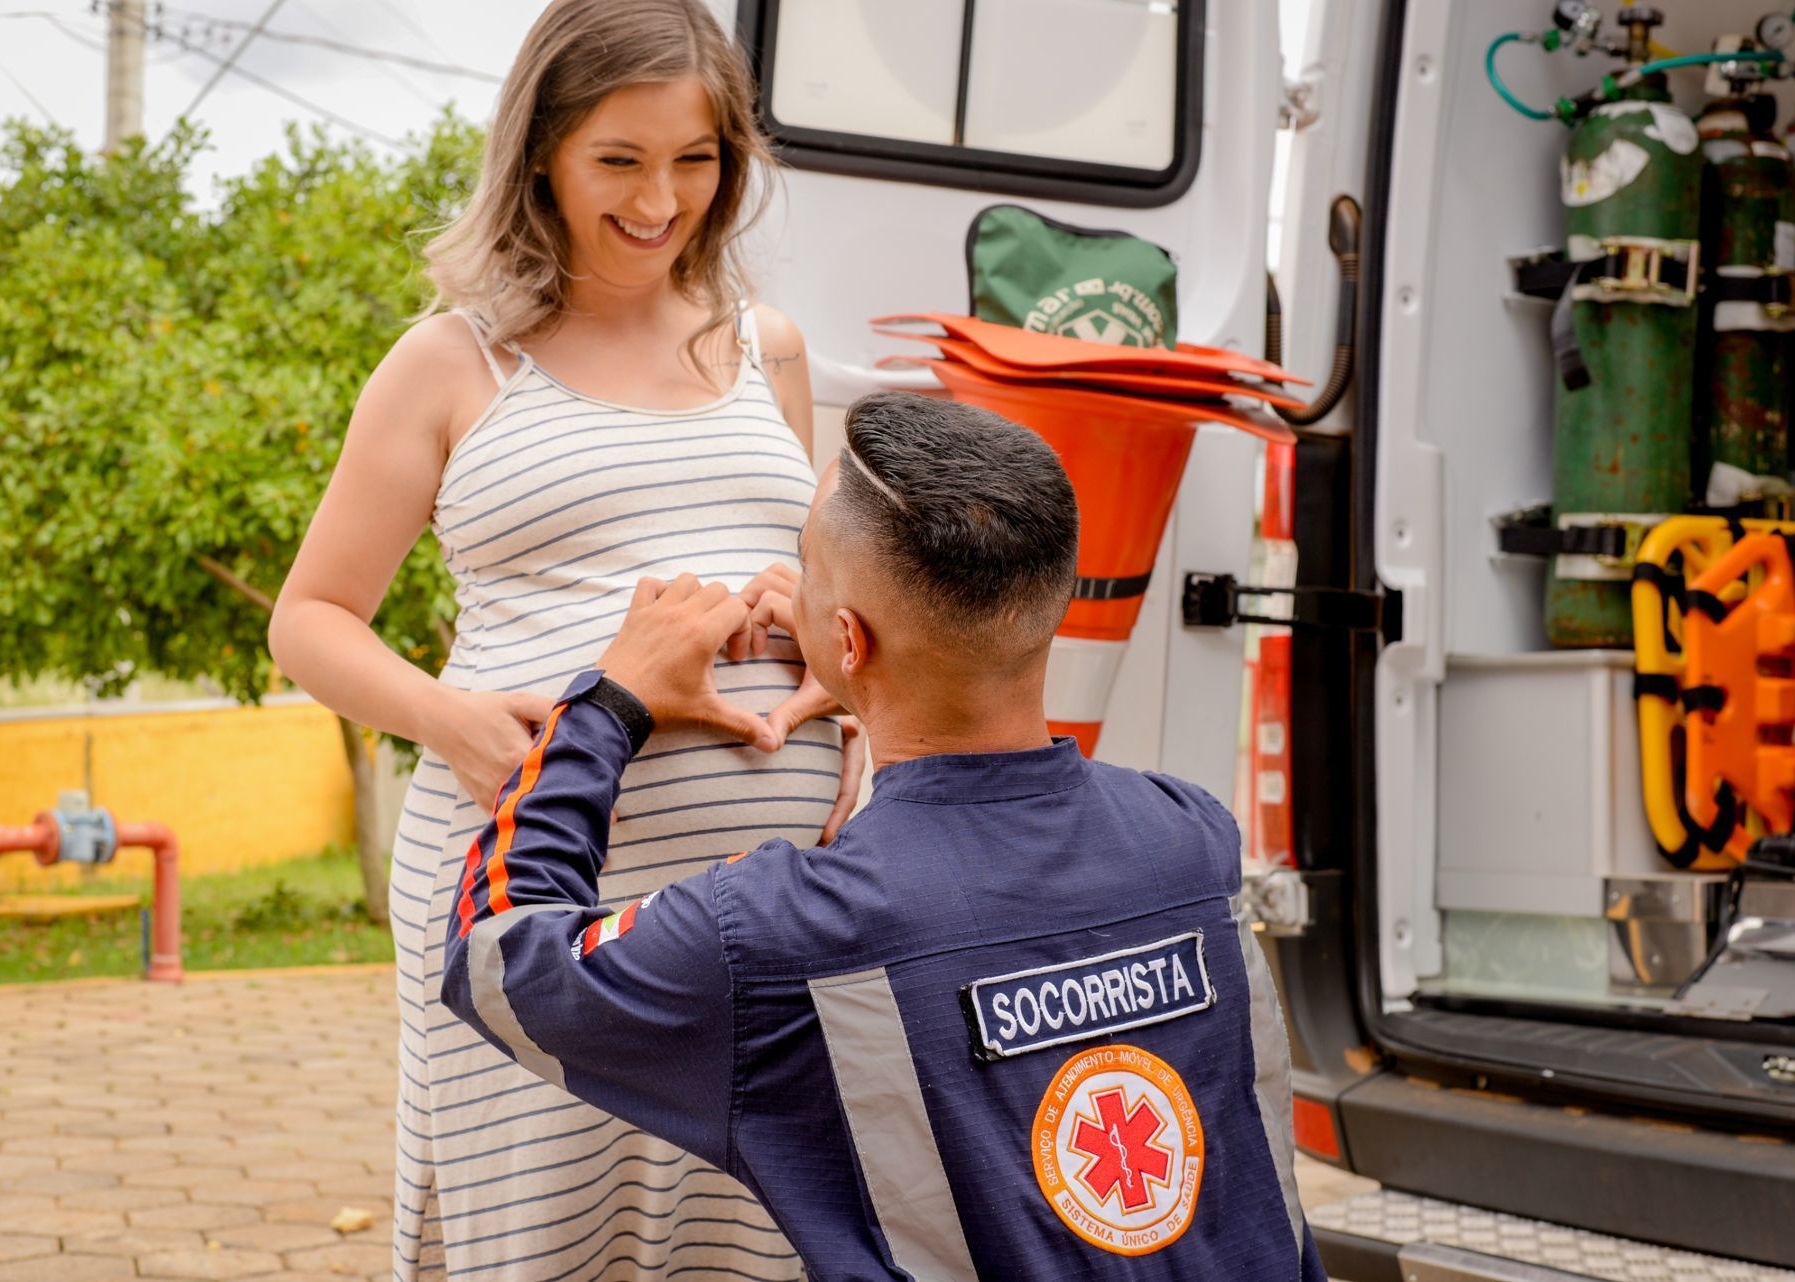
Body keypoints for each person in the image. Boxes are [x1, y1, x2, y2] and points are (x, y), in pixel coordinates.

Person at [440, 391, 1329, 1281]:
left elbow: (497, 960)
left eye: (803, 564)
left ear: (847, 636)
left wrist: (608, 702)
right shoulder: (1192, 841)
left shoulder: (782, 930)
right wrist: (865, 670)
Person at [267, 2, 860, 1276]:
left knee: (751, 1236)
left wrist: (819, 637)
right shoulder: (453, 363)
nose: (660, 201)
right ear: (541, 151)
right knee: (545, 1238)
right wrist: (452, 721)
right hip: (535, 883)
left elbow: (818, 587)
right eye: (620, 160)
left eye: (695, 160)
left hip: (759, 905)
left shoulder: (769, 348)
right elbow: (308, 621)